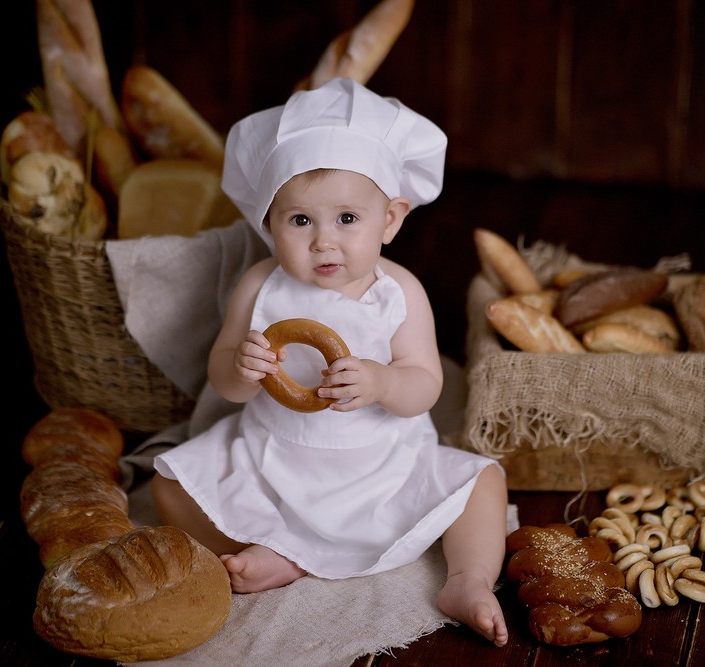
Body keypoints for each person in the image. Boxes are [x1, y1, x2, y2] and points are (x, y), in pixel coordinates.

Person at [150, 77, 509, 646]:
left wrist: (384, 381)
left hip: (382, 468)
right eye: (299, 221)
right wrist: (240, 370)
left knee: (484, 481)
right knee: (169, 484)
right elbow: (225, 378)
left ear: (389, 219)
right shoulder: (260, 286)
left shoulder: (398, 292)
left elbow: (425, 386)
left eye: (347, 219)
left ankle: (467, 579)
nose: (324, 243)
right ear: (268, 223)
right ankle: (270, 551)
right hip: (274, 462)